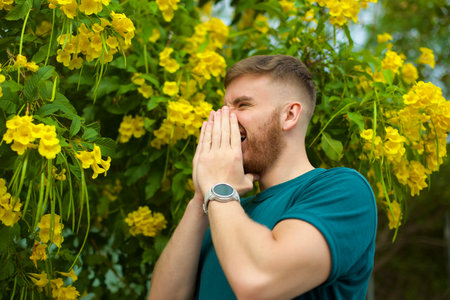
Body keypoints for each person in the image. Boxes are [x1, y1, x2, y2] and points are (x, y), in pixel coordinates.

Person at [148, 55, 377, 300]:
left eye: (243, 105)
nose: (225, 119)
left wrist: (219, 187)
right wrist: (200, 200)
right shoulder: (222, 209)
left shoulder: (343, 190)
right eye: (224, 108)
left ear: (289, 115)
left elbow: (257, 281)